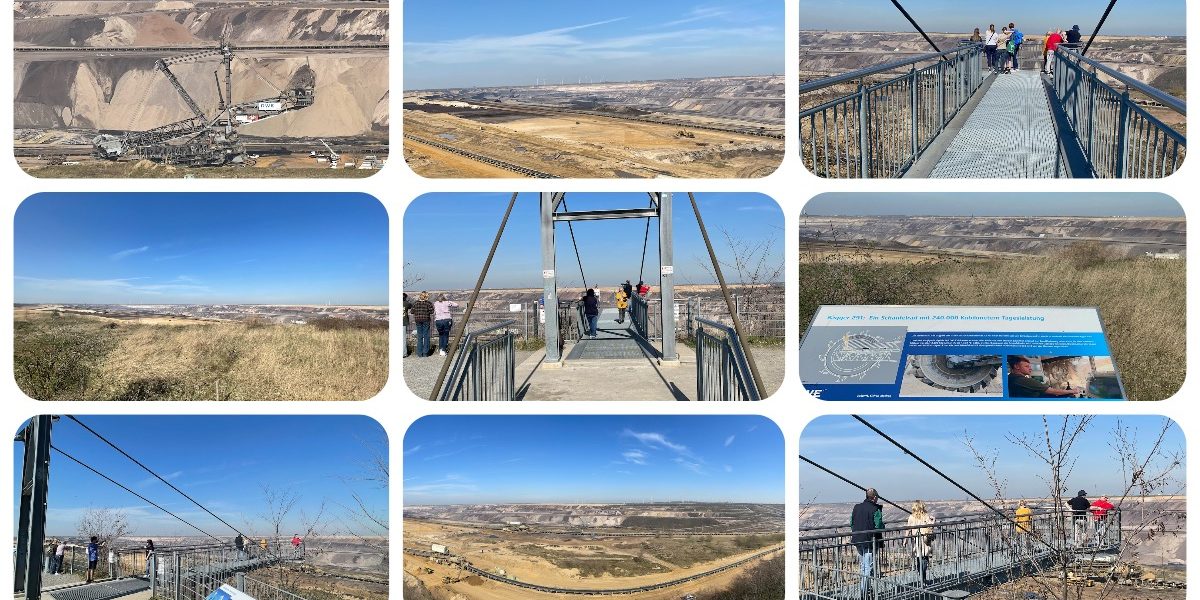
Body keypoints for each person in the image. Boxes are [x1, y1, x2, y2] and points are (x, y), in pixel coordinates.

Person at [851, 488, 885, 599]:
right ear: (874, 497)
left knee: (863, 566)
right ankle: (864, 592)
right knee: (868, 567)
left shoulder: (856, 507)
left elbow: (852, 523)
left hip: (858, 540)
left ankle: (865, 589)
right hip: (870, 541)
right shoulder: (875, 509)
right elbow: (878, 526)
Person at [1007, 356, 1083, 397]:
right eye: (1027, 366)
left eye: (1030, 366)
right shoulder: (1020, 380)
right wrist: (1073, 391)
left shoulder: (1011, 378)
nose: (1030, 368)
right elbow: (1052, 391)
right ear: (1017, 366)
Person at [906, 500, 936, 585]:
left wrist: (905, 540)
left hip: (916, 541)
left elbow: (908, 529)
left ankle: (921, 578)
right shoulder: (926, 516)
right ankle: (923, 579)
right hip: (925, 540)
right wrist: (934, 520)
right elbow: (931, 528)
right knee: (925, 559)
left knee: (919, 559)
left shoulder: (911, 517)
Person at [409, 292, 435, 357]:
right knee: (426, 336)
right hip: (426, 319)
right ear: (426, 296)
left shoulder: (415, 303)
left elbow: (412, 311)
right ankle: (425, 352)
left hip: (418, 320)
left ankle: (419, 353)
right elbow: (432, 311)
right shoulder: (428, 303)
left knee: (419, 336)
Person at [401, 293, 412, 357]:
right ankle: (404, 353)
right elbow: (411, 305)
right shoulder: (406, 303)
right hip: (403, 322)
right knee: (403, 338)